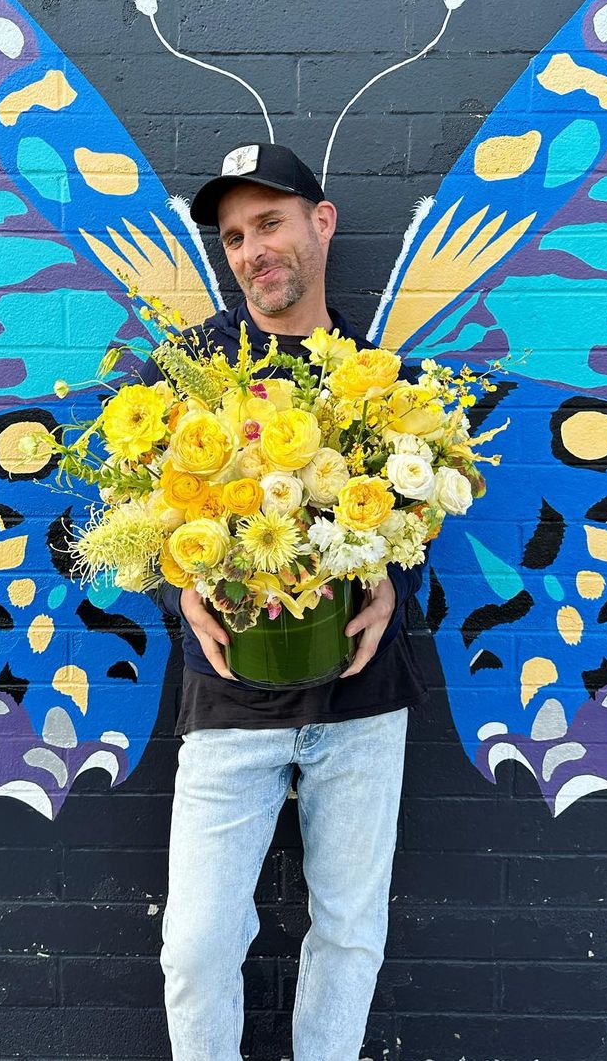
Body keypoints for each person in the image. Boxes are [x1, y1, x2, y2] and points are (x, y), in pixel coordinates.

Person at [135, 142, 429, 1061]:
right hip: (228, 697)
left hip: (360, 701)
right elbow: (143, 513)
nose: (252, 250)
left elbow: (416, 527)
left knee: (349, 934)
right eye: (233, 238)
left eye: (269, 223)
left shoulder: (380, 379)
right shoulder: (189, 370)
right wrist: (181, 589)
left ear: (321, 222)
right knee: (195, 949)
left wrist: (393, 584)